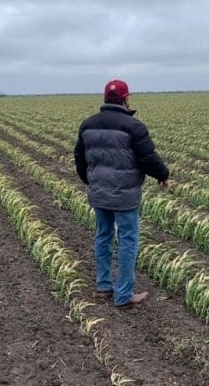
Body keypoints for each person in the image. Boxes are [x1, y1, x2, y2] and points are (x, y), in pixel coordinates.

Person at [74, 79, 169, 308]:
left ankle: (103, 286)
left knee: (103, 236)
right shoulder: (133, 126)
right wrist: (163, 175)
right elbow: (147, 158)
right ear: (126, 99)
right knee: (128, 240)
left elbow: (79, 158)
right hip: (125, 195)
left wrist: (89, 181)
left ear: (105, 98)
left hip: (99, 193)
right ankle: (124, 294)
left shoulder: (88, 125)